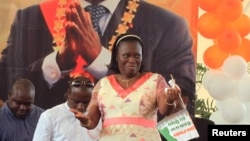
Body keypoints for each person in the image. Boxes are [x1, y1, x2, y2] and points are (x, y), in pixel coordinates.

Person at [0, 0, 196, 116]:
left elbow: (181, 105)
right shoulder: (29, 18)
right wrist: (57, 63)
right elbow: (5, 88)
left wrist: (100, 59)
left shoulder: (168, 25)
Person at [70, 34, 182, 141]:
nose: (132, 60)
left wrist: (169, 100)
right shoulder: (103, 84)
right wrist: (85, 121)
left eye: (137, 55)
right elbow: (92, 121)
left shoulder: (156, 80)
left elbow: (165, 111)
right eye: (126, 55)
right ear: (117, 57)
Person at [32, 76, 101, 141]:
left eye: (85, 102)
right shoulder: (49, 116)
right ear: (68, 94)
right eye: (76, 101)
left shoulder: (98, 118)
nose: (80, 106)